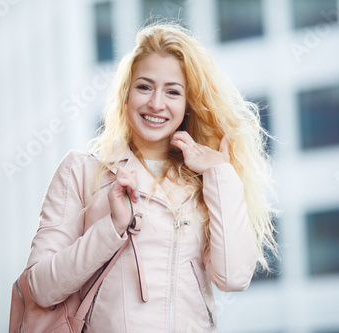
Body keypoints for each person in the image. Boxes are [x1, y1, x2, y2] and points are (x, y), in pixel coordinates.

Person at [24, 22, 277, 332]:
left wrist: (220, 174)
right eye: (145, 86)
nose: (156, 103)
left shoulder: (204, 181)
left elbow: (233, 277)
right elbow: (40, 287)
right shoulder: (82, 171)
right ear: (127, 92)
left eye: (172, 92)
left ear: (187, 106)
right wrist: (112, 227)